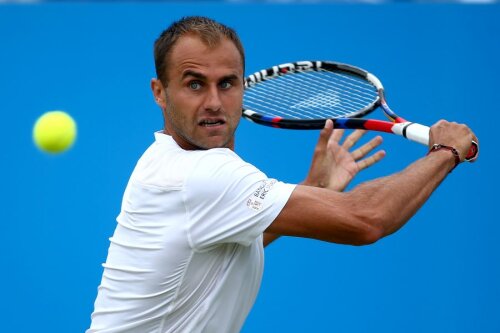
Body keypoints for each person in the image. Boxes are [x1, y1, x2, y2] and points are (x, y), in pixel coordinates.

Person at [87, 16, 478, 333]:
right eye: (194, 84)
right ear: (160, 92)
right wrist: (445, 152)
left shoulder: (164, 159)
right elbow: (366, 219)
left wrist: (313, 191)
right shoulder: (198, 174)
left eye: (227, 84)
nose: (213, 102)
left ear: (243, 87)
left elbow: (225, 243)